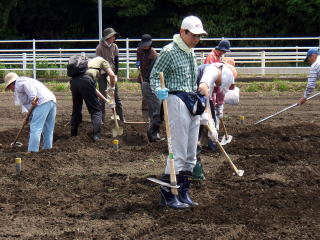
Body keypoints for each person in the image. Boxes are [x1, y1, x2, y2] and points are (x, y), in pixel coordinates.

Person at [149, 15, 207, 209]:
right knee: (178, 150)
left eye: (199, 36)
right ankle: (168, 193)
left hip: (191, 99)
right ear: (183, 32)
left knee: (191, 151)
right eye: (194, 35)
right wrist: (159, 90)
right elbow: (154, 77)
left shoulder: (191, 51)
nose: (197, 39)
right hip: (175, 99)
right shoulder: (168, 51)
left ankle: (183, 191)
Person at [4, 72, 56, 153]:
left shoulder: (20, 82)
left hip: (41, 102)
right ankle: (47, 150)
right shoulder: (22, 85)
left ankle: (32, 152)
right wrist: (27, 118)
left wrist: (33, 97)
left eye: (9, 88)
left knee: (35, 128)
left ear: (11, 84)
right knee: (48, 129)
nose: (10, 90)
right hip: (51, 101)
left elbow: (29, 90)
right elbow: (27, 106)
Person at [70, 56, 116, 141]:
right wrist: (112, 87)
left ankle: (73, 134)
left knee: (76, 109)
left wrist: (105, 100)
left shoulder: (85, 65)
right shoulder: (103, 60)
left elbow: (92, 89)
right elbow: (112, 75)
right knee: (96, 111)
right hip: (86, 81)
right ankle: (96, 136)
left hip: (74, 82)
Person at [136, 34, 162, 142]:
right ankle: (146, 110)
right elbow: (138, 59)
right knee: (146, 97)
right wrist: (137, 63)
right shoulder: (139, 50)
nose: (144, 47)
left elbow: (154, 71)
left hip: (151, 79)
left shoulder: (153, 55)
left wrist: (148, 80)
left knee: (155, 106)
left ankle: (153, 128)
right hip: (144, 77)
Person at [96, 27, 125, 122]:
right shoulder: (99, 48)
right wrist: (100, 74)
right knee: (102, 96)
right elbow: (98, 62)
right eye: (113, 36)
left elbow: (116, 60)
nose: (114, 38)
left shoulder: (114, 46)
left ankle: (121, 118)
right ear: (107, 37)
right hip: (102, 74)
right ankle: (101, 119)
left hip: (112, 74)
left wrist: (115, 73)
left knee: (116, 96)